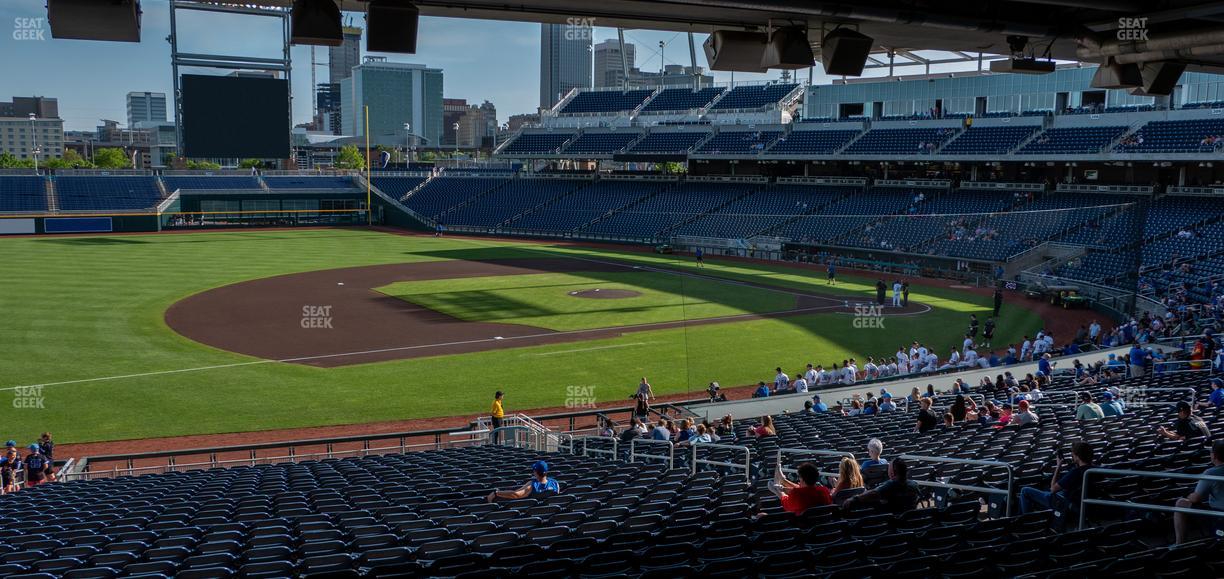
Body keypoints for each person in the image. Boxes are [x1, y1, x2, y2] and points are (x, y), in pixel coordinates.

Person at [1019, 442, 1094, 515]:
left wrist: (1058, 466)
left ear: (1078, 456)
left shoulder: (1076, 472)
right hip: (1087, 504)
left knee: (1025, 491)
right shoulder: (1096, 469)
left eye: (1073, 454)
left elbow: (1053, 489)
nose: (1072, 455)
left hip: (1065, 502)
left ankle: (1026, 520)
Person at [1173, 440, 1224, 544]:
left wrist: (1190, 496)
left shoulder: (1211, 472)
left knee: (1181, 503)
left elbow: (1196, 498)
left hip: (1219, 516)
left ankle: (1179, 545)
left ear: (1214, 456)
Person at [843, 457, 920, 514]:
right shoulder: (915, 485)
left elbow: (874, 493)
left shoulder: (891, 484)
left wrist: (854, 499)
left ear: (892, 473)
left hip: (893, 521)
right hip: (909, 520)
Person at [488, 460, 559, 502]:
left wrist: (496, 493)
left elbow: (516, 494)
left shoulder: (532, 485)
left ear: (535, 472)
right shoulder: (555, 484)